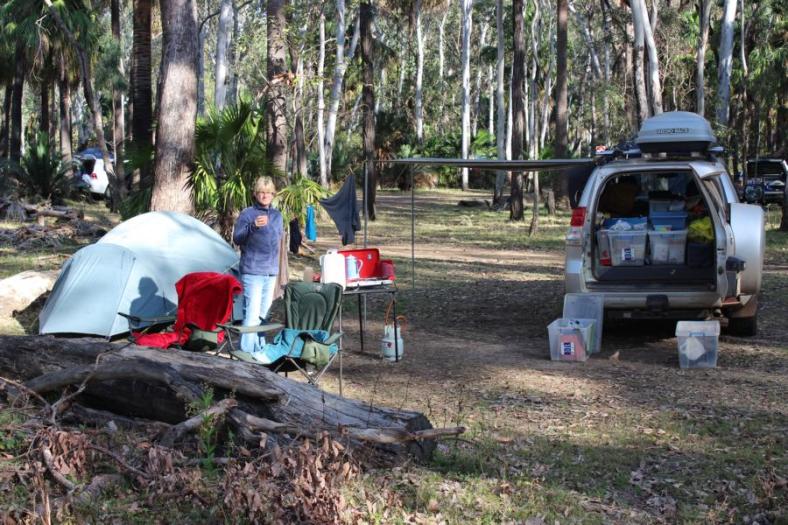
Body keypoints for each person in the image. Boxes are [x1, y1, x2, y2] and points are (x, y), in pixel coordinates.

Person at [233, 176, 284, 353]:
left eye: (268, 193)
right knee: (252, 314)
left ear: (273, 195)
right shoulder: (247, 214)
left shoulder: (277, 216)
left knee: (263, 315)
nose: (265, 196)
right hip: (252, 271)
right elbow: (237, 239)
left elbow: (278, 244)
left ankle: (259, 350)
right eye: (261, 192)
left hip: (270, 272)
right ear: (255, 194)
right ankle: (247, 355)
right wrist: (253, 226)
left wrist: (279, 271)